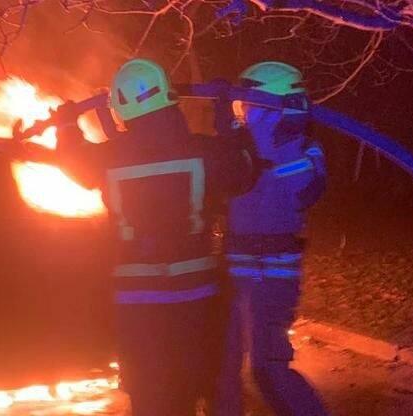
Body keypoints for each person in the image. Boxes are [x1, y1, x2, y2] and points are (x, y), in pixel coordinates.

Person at [47, 58, 254, 415]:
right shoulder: (202, 151)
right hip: (196, 297)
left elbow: (73, 161)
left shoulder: (110, 157)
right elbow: (244, 167)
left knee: (150, 395)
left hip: (137, 303)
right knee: (197, 385)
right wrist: (227, 113)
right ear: (169, 97)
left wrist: (66, 124)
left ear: (122, 108)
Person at [213, 61, 330, 416]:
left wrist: (270, 137)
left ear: (273, 107)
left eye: (249, 105)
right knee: (220, 367)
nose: (243, 112)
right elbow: (227, 168)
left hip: (273, 275)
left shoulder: (304, 150)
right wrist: (223, 116)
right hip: (234, 270)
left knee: (268, 369)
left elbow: (300, 190)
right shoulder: (241, 143)